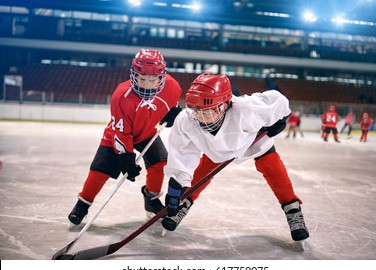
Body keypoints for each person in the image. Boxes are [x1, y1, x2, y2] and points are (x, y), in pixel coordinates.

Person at [161, 73, 309, 242]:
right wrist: (176, 188)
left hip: (251, 140)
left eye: (206, 111)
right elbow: (182, 153)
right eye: (196, 110)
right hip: (217, 149)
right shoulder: (186, 120)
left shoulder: (247, 109)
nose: (199, 117)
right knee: (202, 172)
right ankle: (184, 203)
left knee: (272, 167)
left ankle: (292, 209)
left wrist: (281, 118)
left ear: (224, 106)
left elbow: (278, 100)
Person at [68, 49, 182, 225]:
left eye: (152, 80)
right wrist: (126, 157)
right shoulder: (121, 96)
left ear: (161, 77)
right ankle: (83, 203)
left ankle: (151, 200)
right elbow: (121, 132)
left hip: (146, 133)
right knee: (100, 171)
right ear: (133, 75)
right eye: (142, 78)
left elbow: (170, 106)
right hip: (118, 135)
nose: (146, 85)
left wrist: (171, 115)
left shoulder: (173, 87)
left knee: (160, 163)